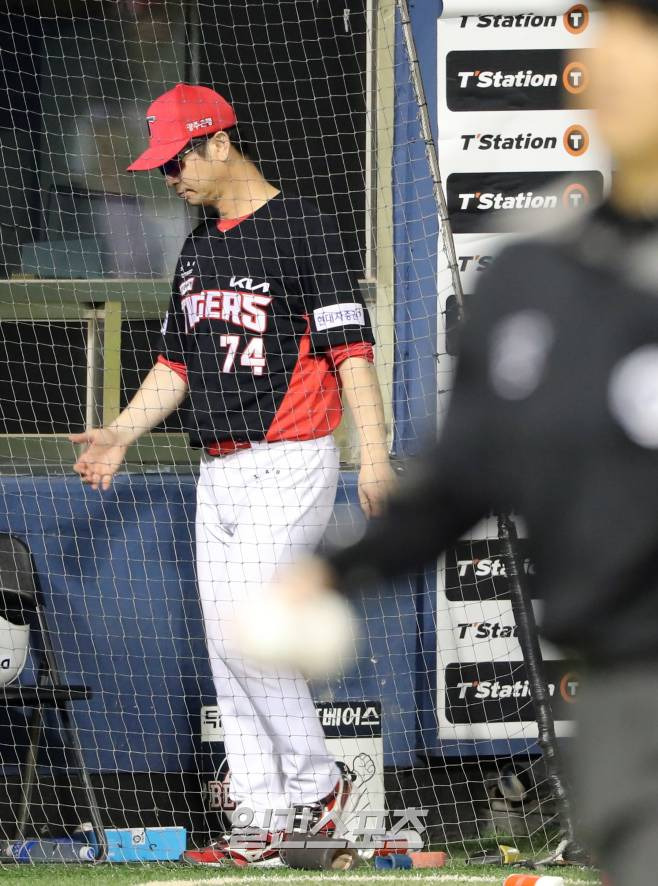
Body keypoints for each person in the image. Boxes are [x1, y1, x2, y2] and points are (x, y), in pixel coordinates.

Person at [264, 2, 658, 883]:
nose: (622, 74)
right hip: (633, 692)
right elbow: (463, 476)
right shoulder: (536, 284)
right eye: (608, 56)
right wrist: (336, 569)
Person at [70, 83, 394, 867]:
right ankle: (262, 812)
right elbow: (177, 365)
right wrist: (118, 431)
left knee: (249, 635)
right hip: (216, 470)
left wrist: (376, 453)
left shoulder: (305, 230)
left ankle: (322, 790)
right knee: (225, 646)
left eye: (174, 160)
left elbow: (353, 352)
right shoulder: (200, 246)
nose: (167, 178)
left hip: (289, 459)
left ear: (218, 142)